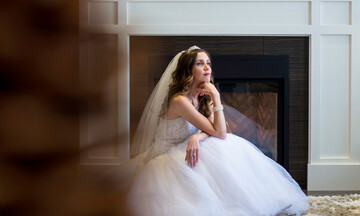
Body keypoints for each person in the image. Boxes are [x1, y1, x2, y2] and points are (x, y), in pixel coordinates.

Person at [124, 46, 309, 216]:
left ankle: (248, 196)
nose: (207, 67)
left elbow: (218, 131)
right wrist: (206, 124)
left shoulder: (204, 95)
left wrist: (202, 127)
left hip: (188, 149)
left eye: (208, 63)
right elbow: (219, 132)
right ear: (188, 70)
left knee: (224, 143)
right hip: (166, 158)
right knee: (220, 144)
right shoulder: (180, 101)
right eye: (199, 63)